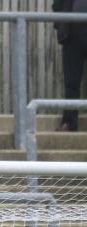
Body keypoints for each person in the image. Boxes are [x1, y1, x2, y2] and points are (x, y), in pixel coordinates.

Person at [53, 0, 87, 131]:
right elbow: (57, 6)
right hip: (72, 37)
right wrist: (61, 25)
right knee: (71, 83)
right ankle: (69, 123)